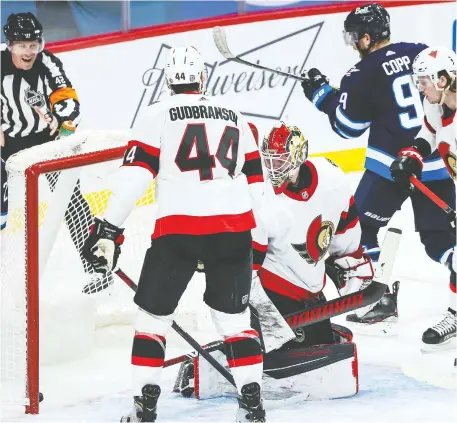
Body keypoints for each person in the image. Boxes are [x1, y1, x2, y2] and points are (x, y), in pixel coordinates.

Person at [81, 46, 266, 423]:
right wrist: (257, 243)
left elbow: (135, 180)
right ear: (203, 79)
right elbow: (258, 188)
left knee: (153, 317)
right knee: (235, 321)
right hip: (234, 230)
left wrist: (109, 230)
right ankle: (251, 401)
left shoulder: (156, 115)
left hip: (179, 230)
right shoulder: (237, 116)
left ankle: (144, 403)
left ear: (168, 81)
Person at [174, 122, 371, 401]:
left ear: (299, 157)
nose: (272, 167)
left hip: (309, 291)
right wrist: (264, 316)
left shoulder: (331, 178)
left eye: (280, 160)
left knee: (326, 343)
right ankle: (230, 361)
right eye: (268, 160)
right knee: (286, 347)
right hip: (272, 292)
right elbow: (246, 270)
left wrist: (353, 270)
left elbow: (345, 230)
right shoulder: (263, 198)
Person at [300, 3, 455, 333]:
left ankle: (379, 299)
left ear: (367, 38)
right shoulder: (418, 52)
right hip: (434, 162)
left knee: (360, 229)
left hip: (389, 166)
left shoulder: (361, 73)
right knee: (442, 241)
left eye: (355, 37)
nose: (354, 44)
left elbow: (348, 127)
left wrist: (322, 95)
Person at [0, 12, 108, 290]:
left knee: (71, 201)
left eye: (33, 44)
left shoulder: (48, 62)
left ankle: (96, 267)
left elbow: (66, 96)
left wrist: (64, 120)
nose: (29, 51)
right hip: (7, 143)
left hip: (45, 141)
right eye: (22, 45)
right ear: (10, 44)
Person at [390, 46, 456, 351]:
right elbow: (429, 134)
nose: (420, 87)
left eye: (424, 81)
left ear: (442, 79)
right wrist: (412, 156)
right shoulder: (437, 104)